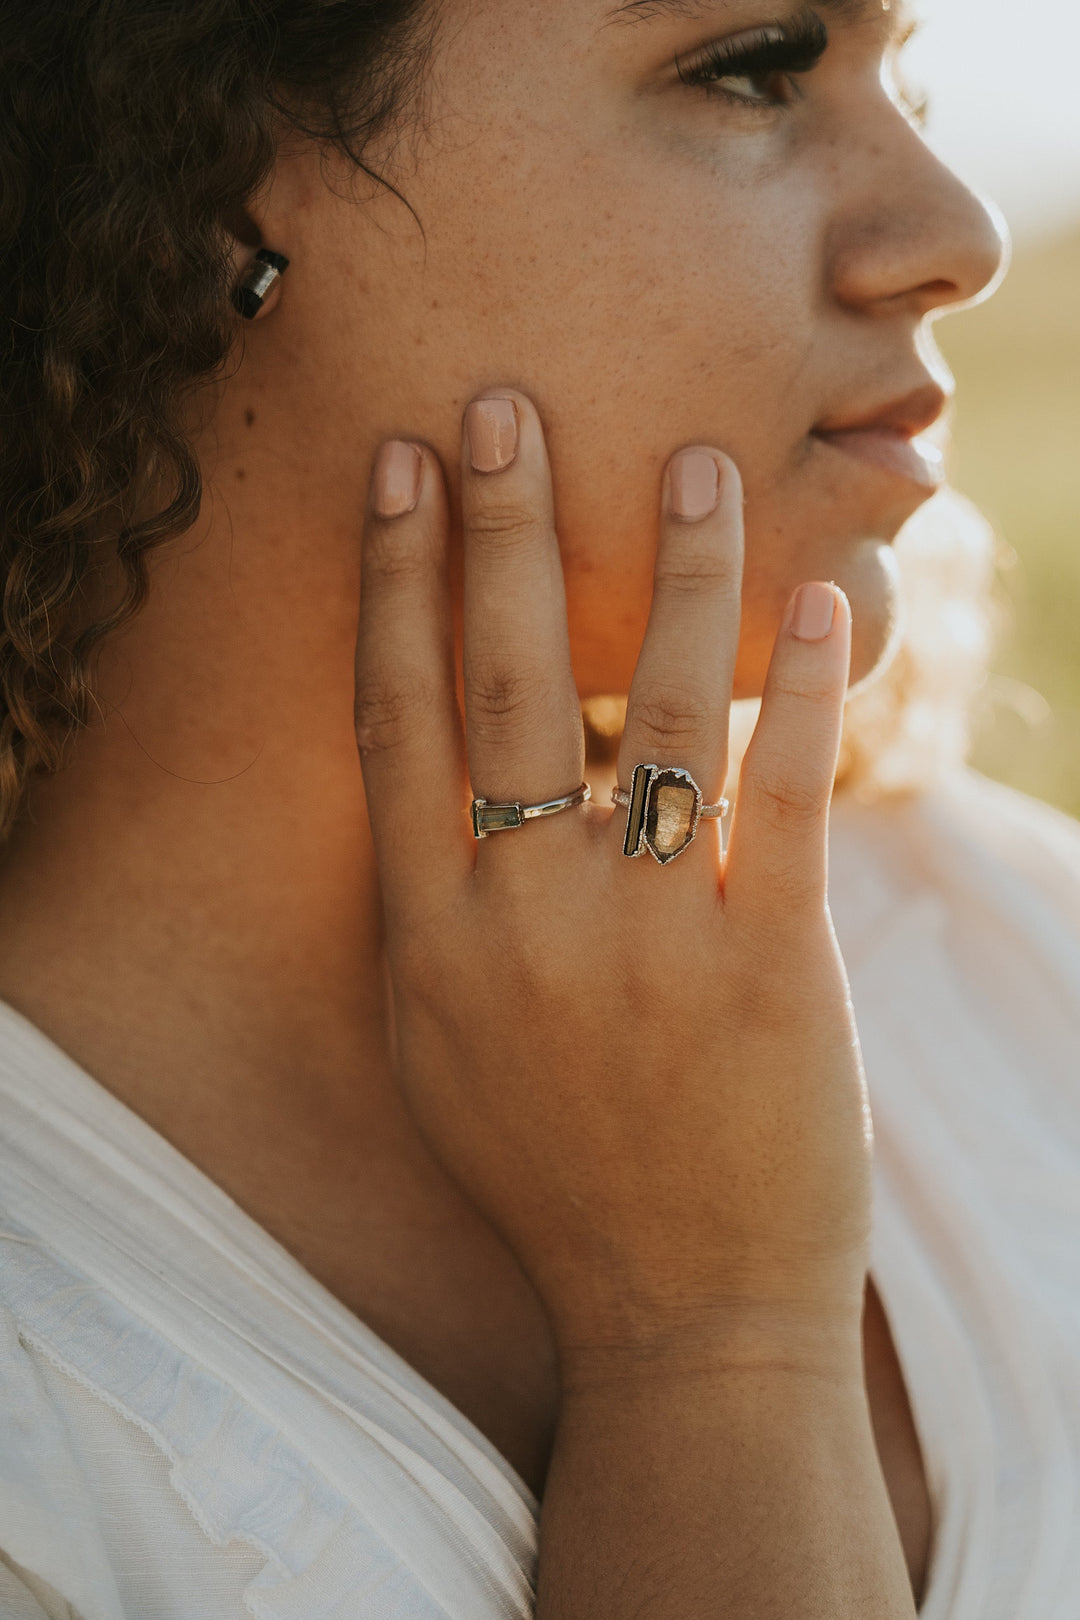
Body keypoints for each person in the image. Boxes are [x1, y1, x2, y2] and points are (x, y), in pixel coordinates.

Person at [1, 0, 1078, 1615]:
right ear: (214, 164)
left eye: (903, 70)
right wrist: (704, 1340)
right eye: (756, 67)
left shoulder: (1020, 949)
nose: (958, 235)